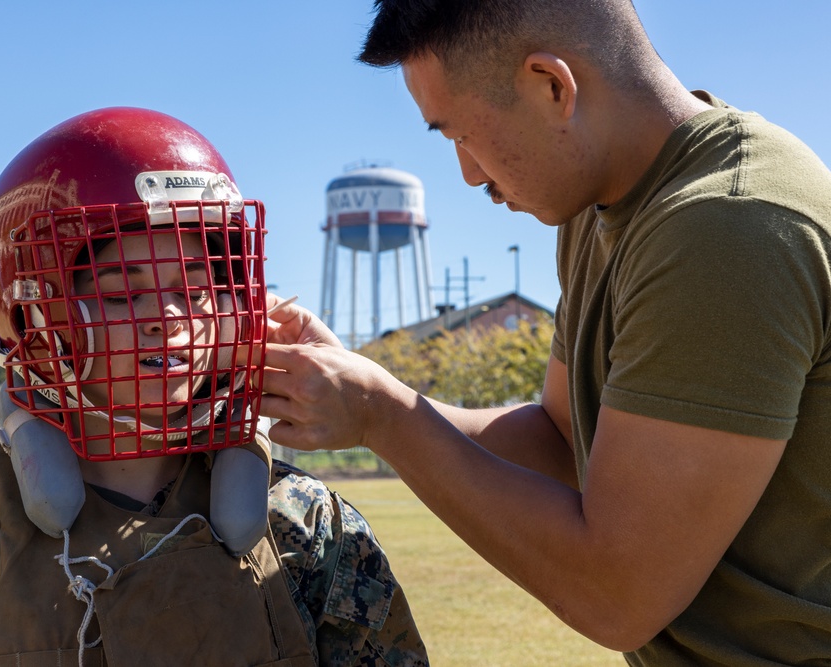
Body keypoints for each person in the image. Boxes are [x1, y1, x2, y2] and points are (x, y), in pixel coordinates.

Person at [255, 1, 831, 665]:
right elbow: (559, 441)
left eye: (459, 135)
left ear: (552, 85)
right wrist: (365, 386)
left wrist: (385, 417)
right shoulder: (596, 209)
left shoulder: (728, 227)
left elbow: (618, 594)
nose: (467, 174)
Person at [0, 107, 428, 667]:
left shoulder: (307, 528)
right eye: (120, 292)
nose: (168, 319)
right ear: (34, 320)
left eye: (194, 291)